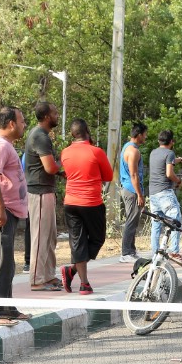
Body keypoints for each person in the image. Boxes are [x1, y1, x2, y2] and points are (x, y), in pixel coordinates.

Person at [0, 106, 32, 323]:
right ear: (11, 123)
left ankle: (7, 308)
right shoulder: (0, 146)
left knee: (8, 262)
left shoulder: (6, 145)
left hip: (9, 210)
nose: (24, 125)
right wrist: (1, 208)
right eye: (22, 121)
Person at [58, 119, 113, 296]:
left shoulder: (65, 152)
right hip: (91, 203)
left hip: (70, 203)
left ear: (73, 135)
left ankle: (78, 277)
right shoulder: (96, 152)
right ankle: (81, 280)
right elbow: (108, 176)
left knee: (77, 242)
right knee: (97, 239)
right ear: (87, 132)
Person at [23, 101, 62, 290]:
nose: (57, 116)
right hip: (38, 193)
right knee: (40, 237)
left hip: (46, 191)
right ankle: (37, 280)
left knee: (50, 236)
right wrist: (64, 164)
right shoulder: (40, 136)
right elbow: (50, 167)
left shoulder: (42, 135)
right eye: (55, 113)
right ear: (47, 116)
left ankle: (48, 275)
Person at [147, 130, 182, 262]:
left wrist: (180, 160)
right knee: (176, 221)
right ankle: (174, 252)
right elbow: (169, 173)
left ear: (159, 141)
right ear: (172, 142)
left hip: (153, 194)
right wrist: (179, 181)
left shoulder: (153, 152)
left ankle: (155, 255)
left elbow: (167, 161)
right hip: (165, 193)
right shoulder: (170, 153)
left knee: (156, 225)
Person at [119, 123, 147, 262]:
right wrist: (140, 194)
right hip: (131, 189)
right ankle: (125, 253)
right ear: (139, 135)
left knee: (134, 220)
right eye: (145, 134)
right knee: (131, 219)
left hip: (130, 188)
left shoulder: (127, 147)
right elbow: (134, 175)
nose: (146, 137)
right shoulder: (133, 151)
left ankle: (131, 250)